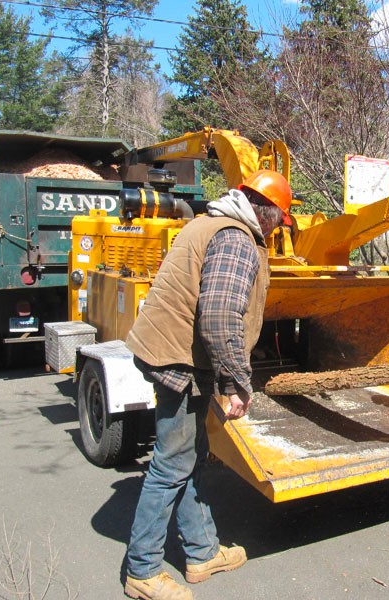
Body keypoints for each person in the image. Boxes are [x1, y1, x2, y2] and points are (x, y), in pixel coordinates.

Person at [123, 170, 292, 600]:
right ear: (269, 212)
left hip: (174, 352)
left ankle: (201, 553)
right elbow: (219, 316)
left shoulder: (205, 221)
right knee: (171, 463)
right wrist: (236, 382)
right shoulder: (236, 239)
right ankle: (142, 570)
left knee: (190, 456)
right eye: (282, 222)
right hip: (178, 360)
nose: (278, 232)